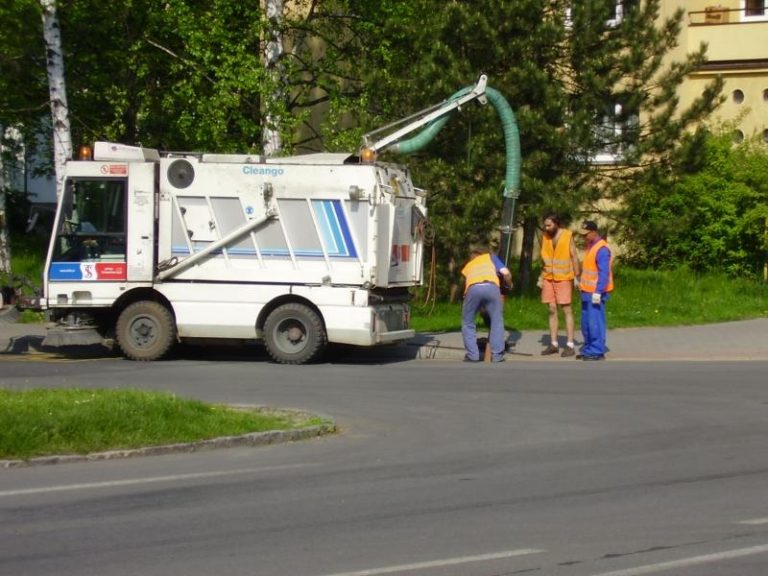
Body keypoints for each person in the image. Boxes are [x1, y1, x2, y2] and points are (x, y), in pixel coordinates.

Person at [461, 246, 513, 363]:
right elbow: (506, 274)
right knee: (496, 321)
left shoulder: (470, 264)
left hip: (473, 288)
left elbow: (466, 282)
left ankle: (472, 355)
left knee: (468, 322)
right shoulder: (491, 258)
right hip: (492, 287)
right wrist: (509, 285)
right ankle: (497, 356)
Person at [538, 214, 580, 357]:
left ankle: (569, 344)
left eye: (549, 225)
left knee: (566, 309)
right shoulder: (545, 236)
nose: (546, 228)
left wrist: (577, 277)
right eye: (545, 225)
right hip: (549, 277)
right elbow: (544, 258)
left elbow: (574, 256)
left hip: (564, 278)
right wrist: (541, 277)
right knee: (551, 308)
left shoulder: (567, 235)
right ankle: (554, 343)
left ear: (557, 224)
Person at [577, 220, 614, 361]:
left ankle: (597, 350)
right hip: (587, 291)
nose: (583, 237)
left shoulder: (602, 249)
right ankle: (589, 348)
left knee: (595, 322)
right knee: (586, 323)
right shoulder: (591, 246)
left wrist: (598, 292)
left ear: (593, 232)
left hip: (595, 293)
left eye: (586, 234)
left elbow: (604, 272)